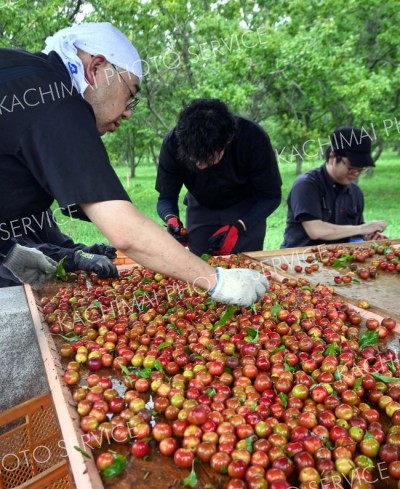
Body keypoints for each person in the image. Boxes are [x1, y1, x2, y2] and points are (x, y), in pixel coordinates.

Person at [0, 23, 268, 306]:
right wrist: (217, 281)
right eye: (130, 94)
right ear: (97, 69)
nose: (128, 112)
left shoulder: (27, 76)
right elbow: (124, 231)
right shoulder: (58, 101)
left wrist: (9, 248)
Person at [156, 98, 282, 256]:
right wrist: (171, 219)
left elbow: (271, 196)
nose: (200, 165)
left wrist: (240, 226)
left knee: (245, 264)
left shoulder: (253, 138)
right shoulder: (172, 143)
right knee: (199, 264)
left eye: (207, 158)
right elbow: (166, 198)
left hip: (247, 206)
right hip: (201, 204)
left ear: (227, 141)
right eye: (194, 159)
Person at [281, 126, 387, 248]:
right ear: (332, 157)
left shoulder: (355, 192)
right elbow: (315, 230)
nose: (356, 173)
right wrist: (361, 228)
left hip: (338, 260)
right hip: (299, 259)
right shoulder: (306, 185)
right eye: (351, 168)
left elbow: (354, 233)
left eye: (361, 169)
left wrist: (366, 235)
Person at [0, 210, 118, 287]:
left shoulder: (37, 204)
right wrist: (77, 257)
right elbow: (23, 253)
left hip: (45, 283)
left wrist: (86, 251)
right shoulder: (6, 208)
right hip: (13, 286)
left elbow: (58, 242)